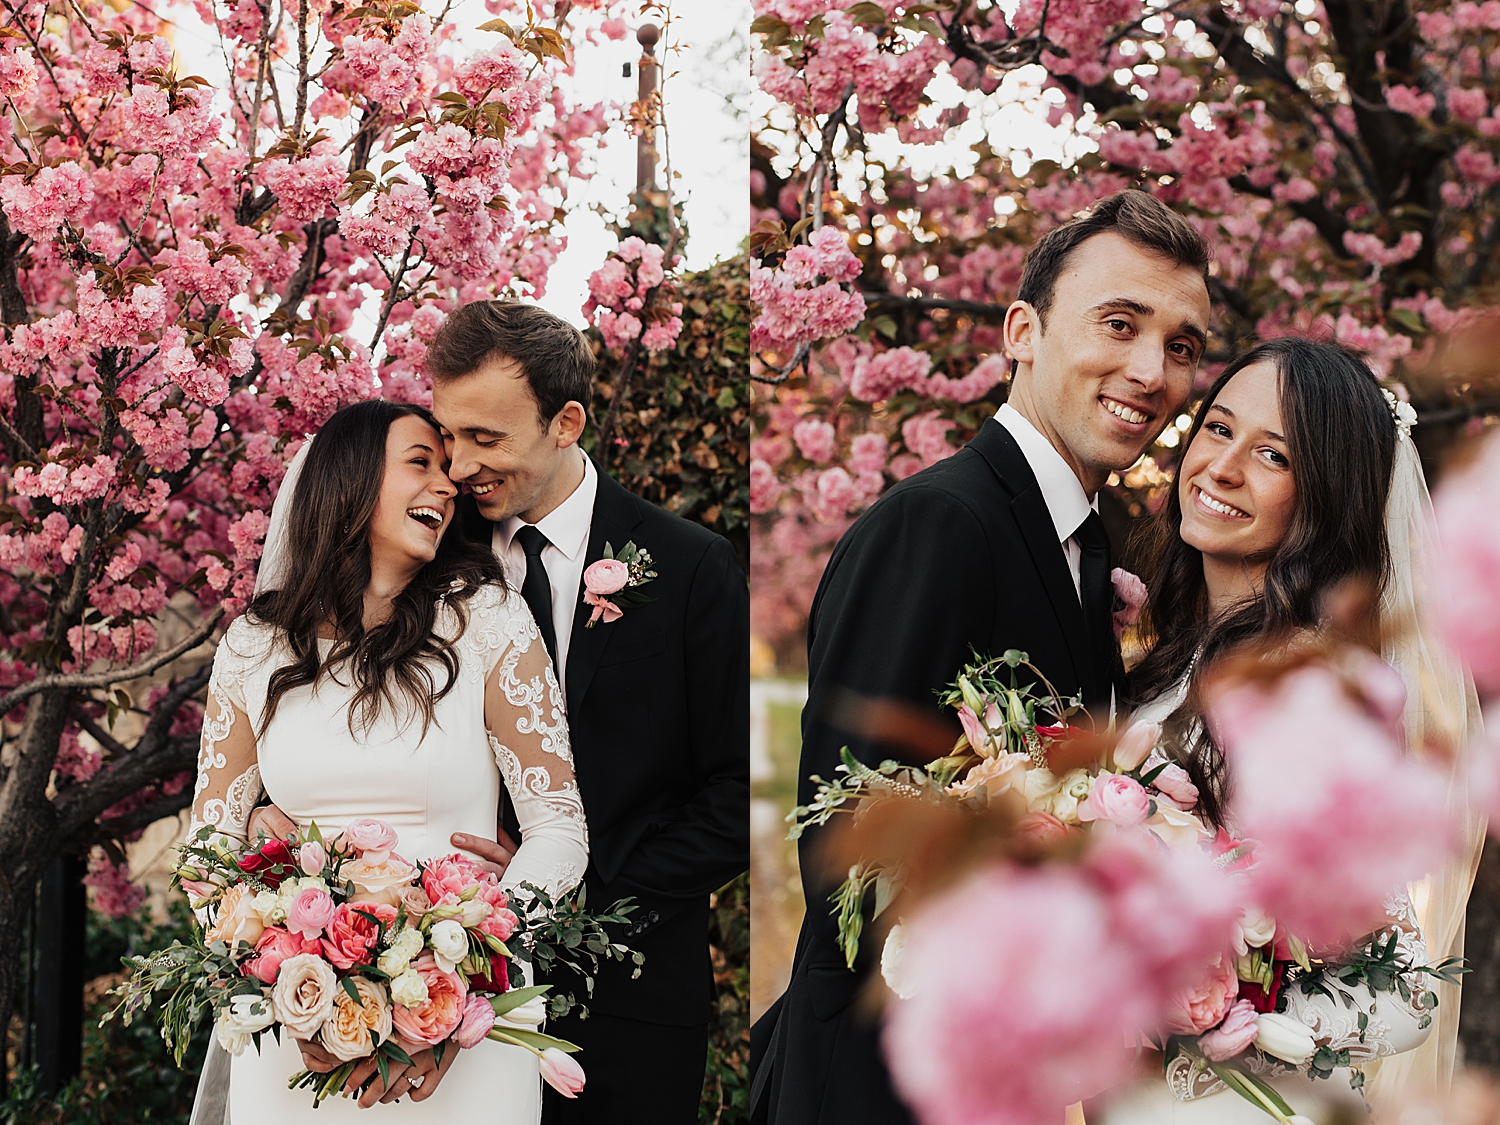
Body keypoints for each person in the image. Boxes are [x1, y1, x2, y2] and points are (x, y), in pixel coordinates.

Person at [749, 189, 1213, 1125]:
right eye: (1118, 324)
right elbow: (848, 852)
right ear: (1021, 332)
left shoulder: (1086, 547)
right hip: (881, 1084)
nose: (1150, 370)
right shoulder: (939, 524)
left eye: (1183, 345)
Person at [1098, 337, 1484, 1123]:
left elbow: (1407, 991)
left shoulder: (1304, 694)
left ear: (1325, 495)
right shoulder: (1176, 653)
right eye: (1217, 429)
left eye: (1272, 454)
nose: (1223, 467)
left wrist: (1221, 1016)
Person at [188, 398, 589, 1122]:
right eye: (421, 464)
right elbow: (204, 853)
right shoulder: (254, 645)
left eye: (448, 470)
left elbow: (559, 828)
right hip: (298, 1030)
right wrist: (268, 946)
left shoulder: (489, 622)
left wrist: (473, 977)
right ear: (350, 480)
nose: (447, 485)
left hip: (465, 1030)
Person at [424, 300, 748, 1125]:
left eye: (485, 439)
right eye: (448, 435)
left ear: (565, 421)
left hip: (629, 1000)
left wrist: (568, 897)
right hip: (440, 991)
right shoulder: (428, 563)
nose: (459, 467)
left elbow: (735, 797)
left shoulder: (689, 567)